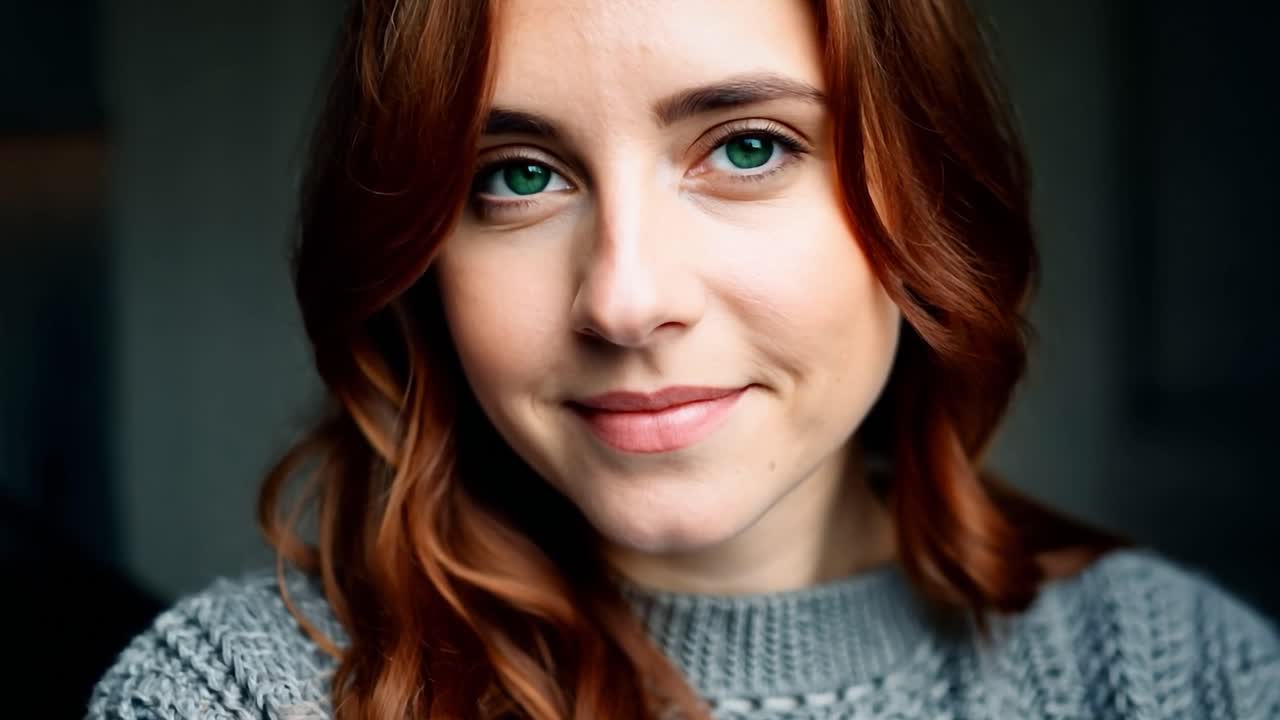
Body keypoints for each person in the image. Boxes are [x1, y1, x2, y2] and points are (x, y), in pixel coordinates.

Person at [87, 1, 1279, 718]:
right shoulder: (239, 698)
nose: (624, 298)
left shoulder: (1176, 675)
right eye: (515, 175)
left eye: (747, 148)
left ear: (922, 194)